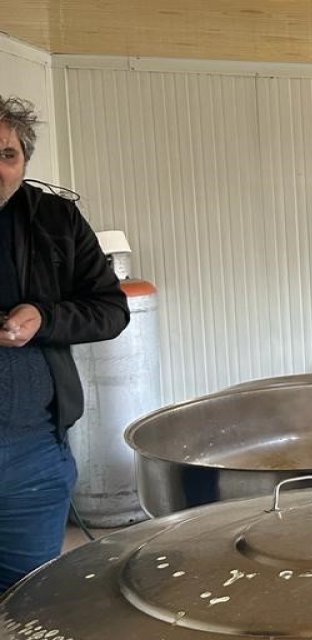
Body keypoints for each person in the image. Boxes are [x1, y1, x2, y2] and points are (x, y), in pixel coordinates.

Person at [0, 95, 129, 591]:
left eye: (7, 154)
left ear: (24, 161)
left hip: (34, 454)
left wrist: (44, 317)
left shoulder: (54, 220)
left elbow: (110, 308)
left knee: (28, 596)